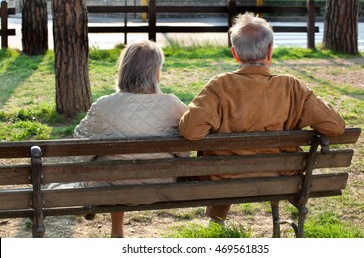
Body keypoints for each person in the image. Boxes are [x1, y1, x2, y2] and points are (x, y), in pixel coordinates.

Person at [179, 12, 345, 225]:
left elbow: (190, 131)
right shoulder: (291, 87)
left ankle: (216, 224)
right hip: (281, 178)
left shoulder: (220, 85)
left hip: (224, 180)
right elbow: (336, 126)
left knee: (222, 161)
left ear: (235, 54)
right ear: (270, 51)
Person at [72, 40, 188, 237]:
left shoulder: (104, 105)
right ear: (157, 74)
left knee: (109, 163)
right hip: (161, 184)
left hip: (113, 186)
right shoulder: (173, 104)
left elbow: (80, 143)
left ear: (123, 71)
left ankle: (116, 230)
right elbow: (187, 144)